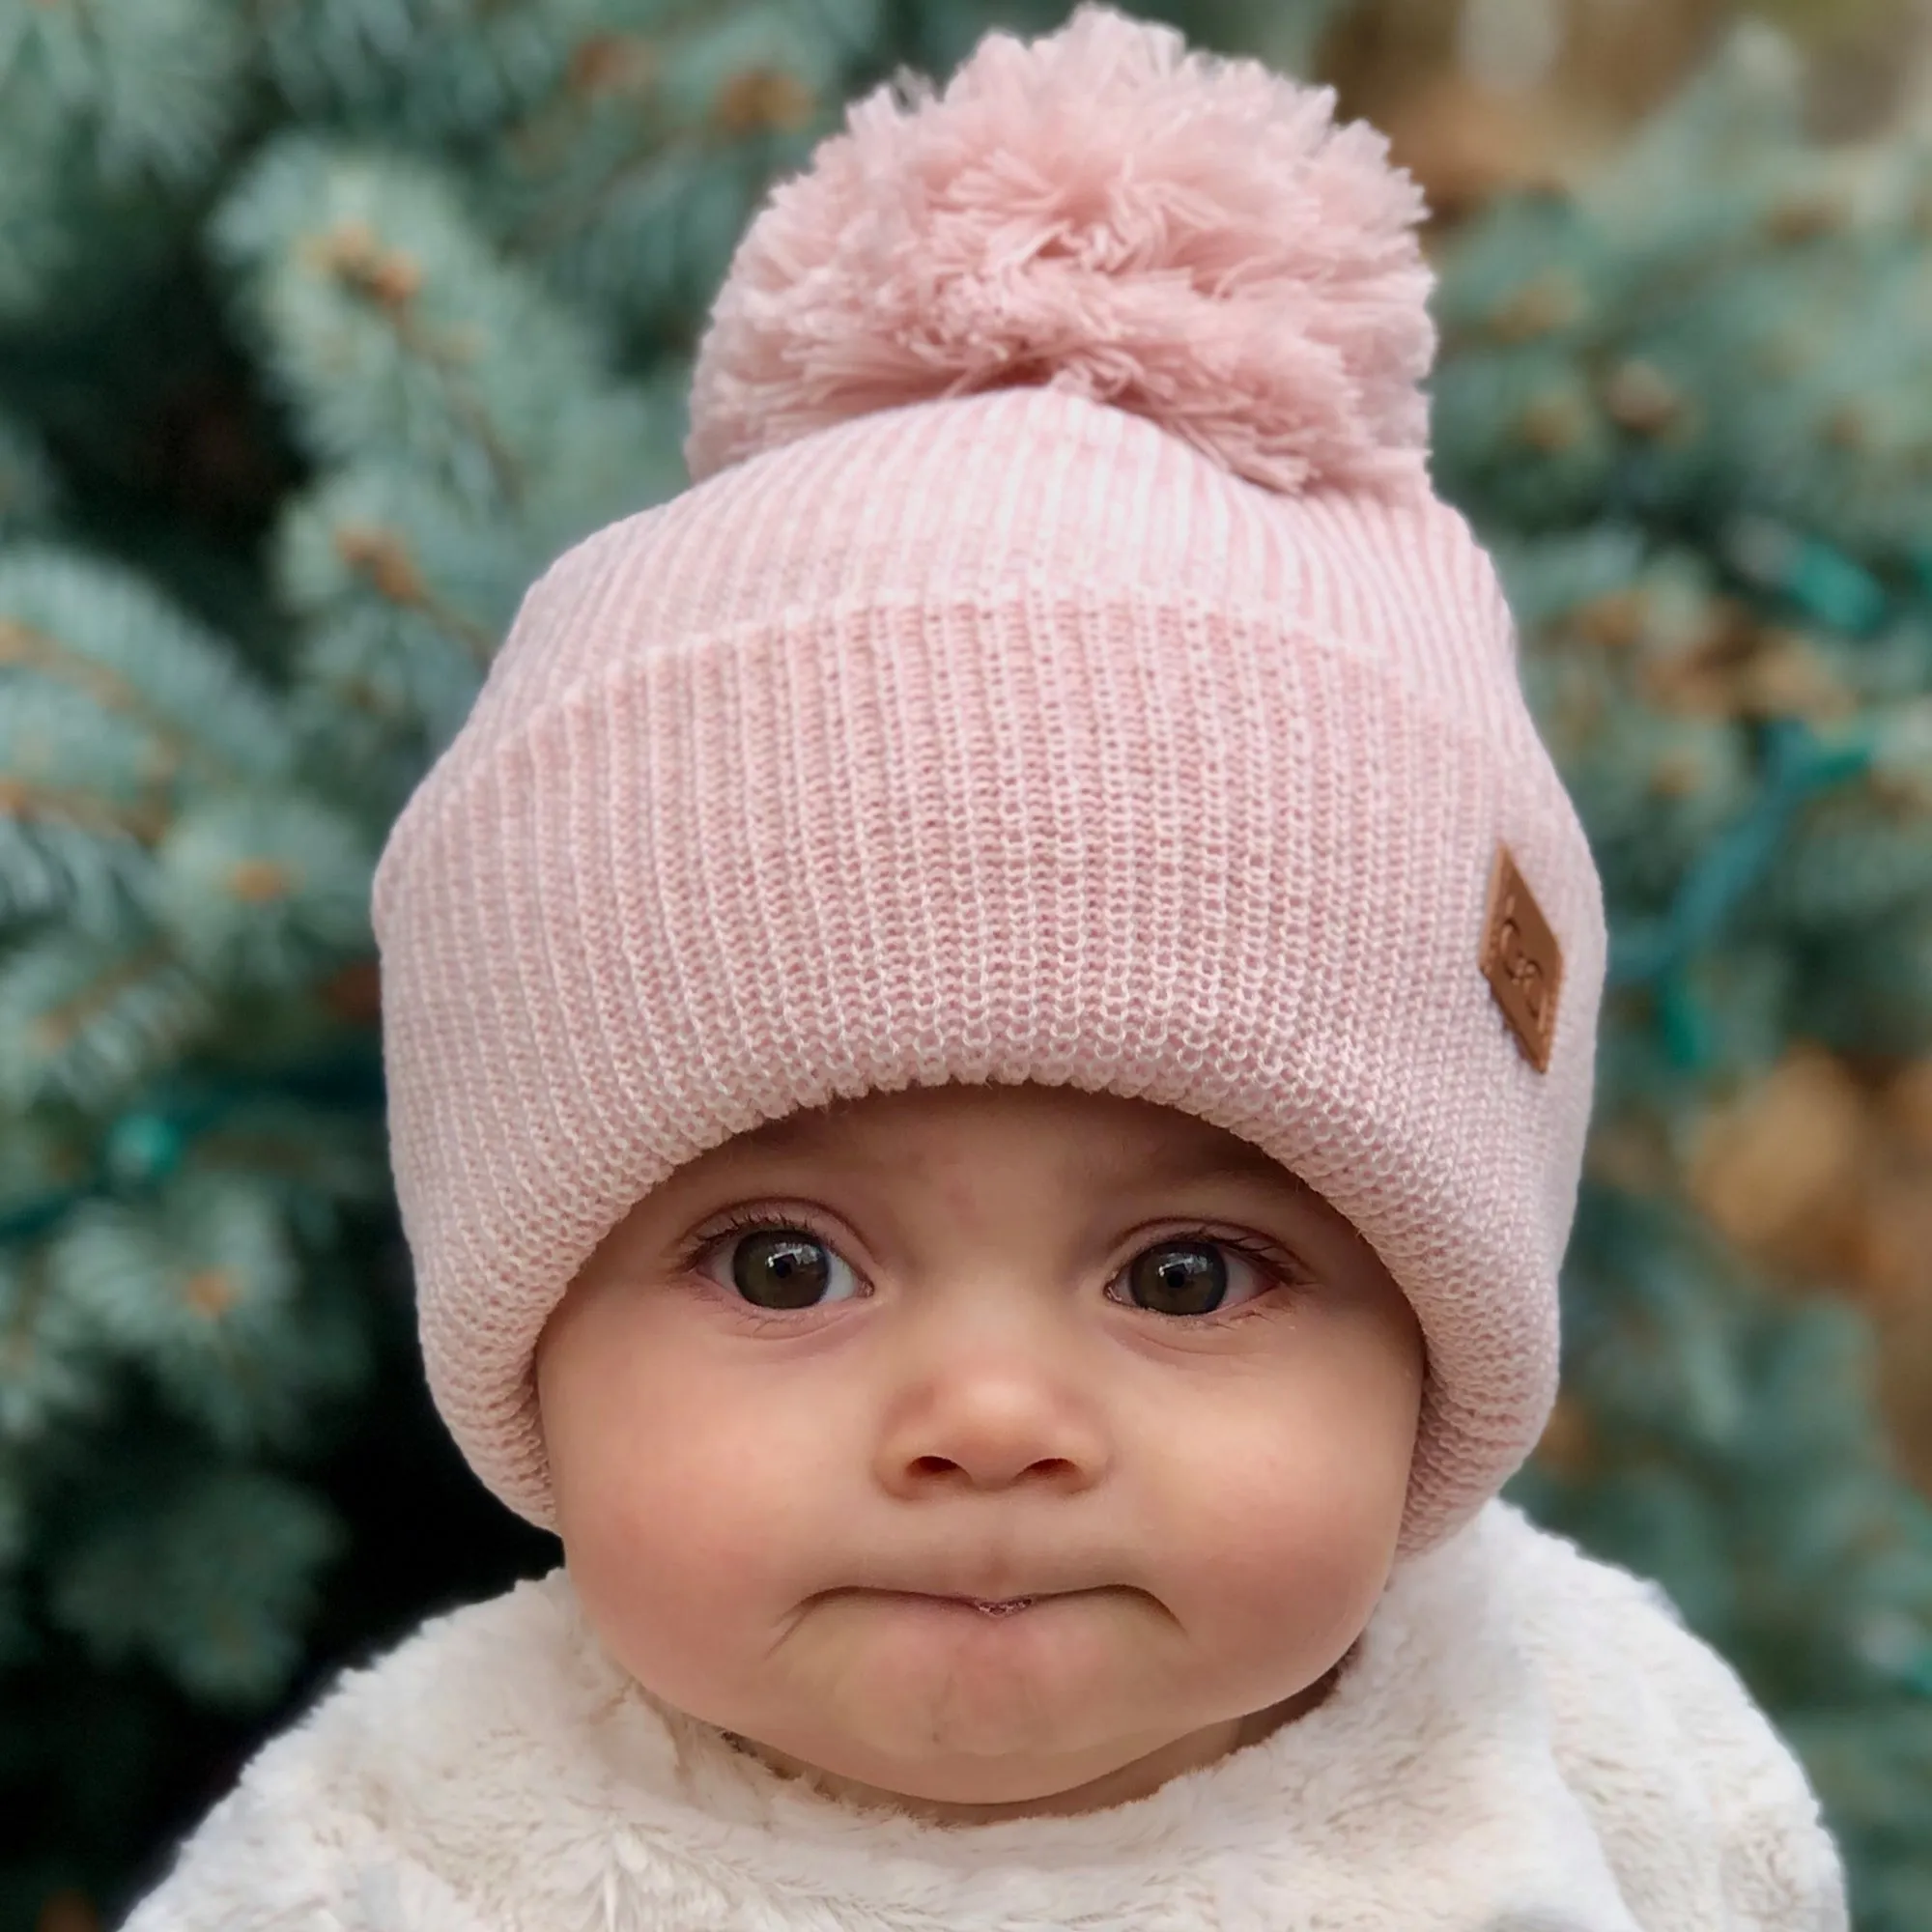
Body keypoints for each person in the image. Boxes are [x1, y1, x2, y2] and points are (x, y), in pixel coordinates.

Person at [121, 7, 1848, 1926]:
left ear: (1437, 1349)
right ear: (527, 1338)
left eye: (1186, 1274)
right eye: (785, 1264)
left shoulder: (1586, 1745)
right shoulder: (392, 1854)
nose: (992, 1416)